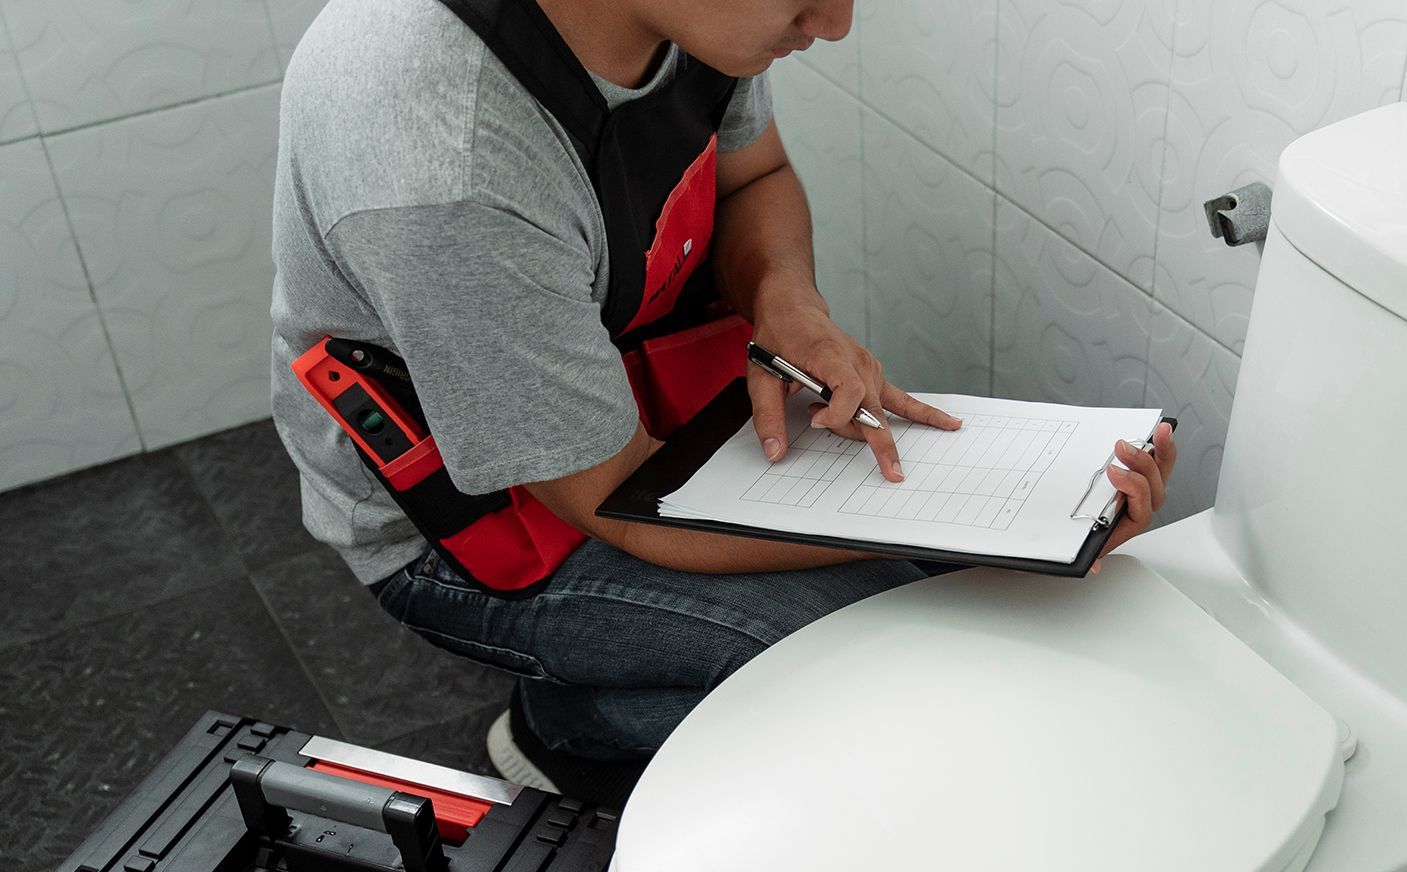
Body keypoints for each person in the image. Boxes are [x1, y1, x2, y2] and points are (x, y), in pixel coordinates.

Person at [268, 0, 1177, 803]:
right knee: (899, 663)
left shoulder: (680, 20)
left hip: (640, 413)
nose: (835, 23)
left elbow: (754, 178)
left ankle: (615, 680)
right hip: (473, 527)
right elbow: (617, 502)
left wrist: (789, 303)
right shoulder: (446, 155)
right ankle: (569, 725)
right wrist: (996, 540)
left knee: (968, 616)